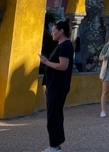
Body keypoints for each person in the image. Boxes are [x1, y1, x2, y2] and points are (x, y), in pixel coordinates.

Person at [38, 20, 74, 152]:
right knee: (54, 114)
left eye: (54, 31)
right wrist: (47, 85)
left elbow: (63, 66)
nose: (52, 33)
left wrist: (46, 62)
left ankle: (55, 146)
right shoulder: (61, 45)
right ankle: (55, 144)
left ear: (61, 31)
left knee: (54, 115)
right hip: (54, 85)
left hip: (59, 86)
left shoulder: (65, 46)